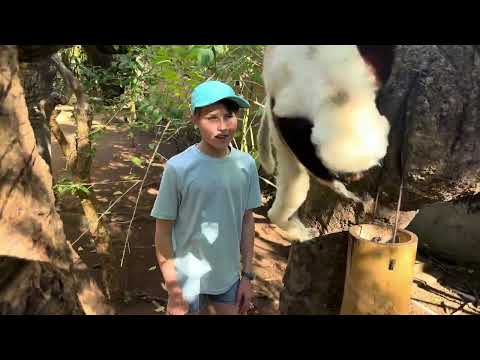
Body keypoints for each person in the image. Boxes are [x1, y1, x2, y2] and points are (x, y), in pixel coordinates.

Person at [151, 80, 262, 315]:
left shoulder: (246, 165)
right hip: (186, 279)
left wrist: (248, 276)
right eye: (212, 117)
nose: (223, 126)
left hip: (229, 277)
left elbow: (246, 219)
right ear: (195, 120)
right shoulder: (178, 167)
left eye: (229, 116)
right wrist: (174, 289)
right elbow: (162, 231)